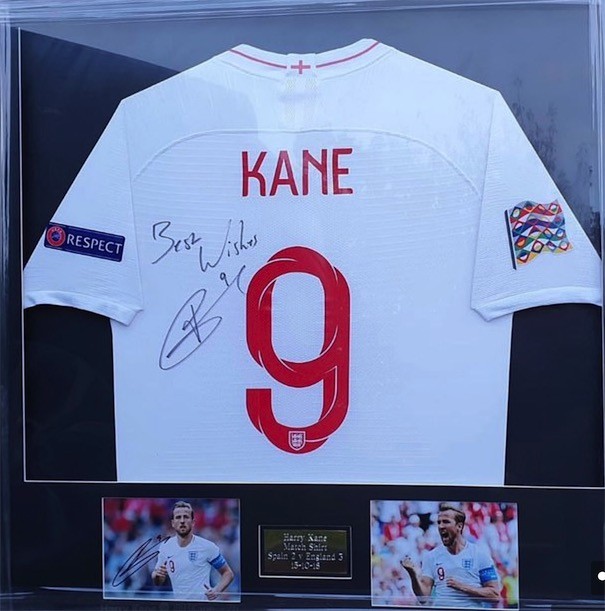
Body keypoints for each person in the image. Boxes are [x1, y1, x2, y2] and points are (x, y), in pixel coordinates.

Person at [401, 503, 500, 608]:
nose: (441, 526)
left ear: (459, 526)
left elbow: (495, 595)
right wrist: (413, 575)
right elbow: (424, 598)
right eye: (439, 522)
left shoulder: (479, 554)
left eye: (446, 522)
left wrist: (463, 587)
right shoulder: (431, 556)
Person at [151, 501, 234, 601]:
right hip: (179, 605)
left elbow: (227, 573)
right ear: (173, 523)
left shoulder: (207, 547)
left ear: (193, 522)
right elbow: (158, 579)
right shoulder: (165, 547)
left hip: (202, 605)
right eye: (178, 517)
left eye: (186, 517)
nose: (182, 521)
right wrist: (157, 576)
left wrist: (217, 590)